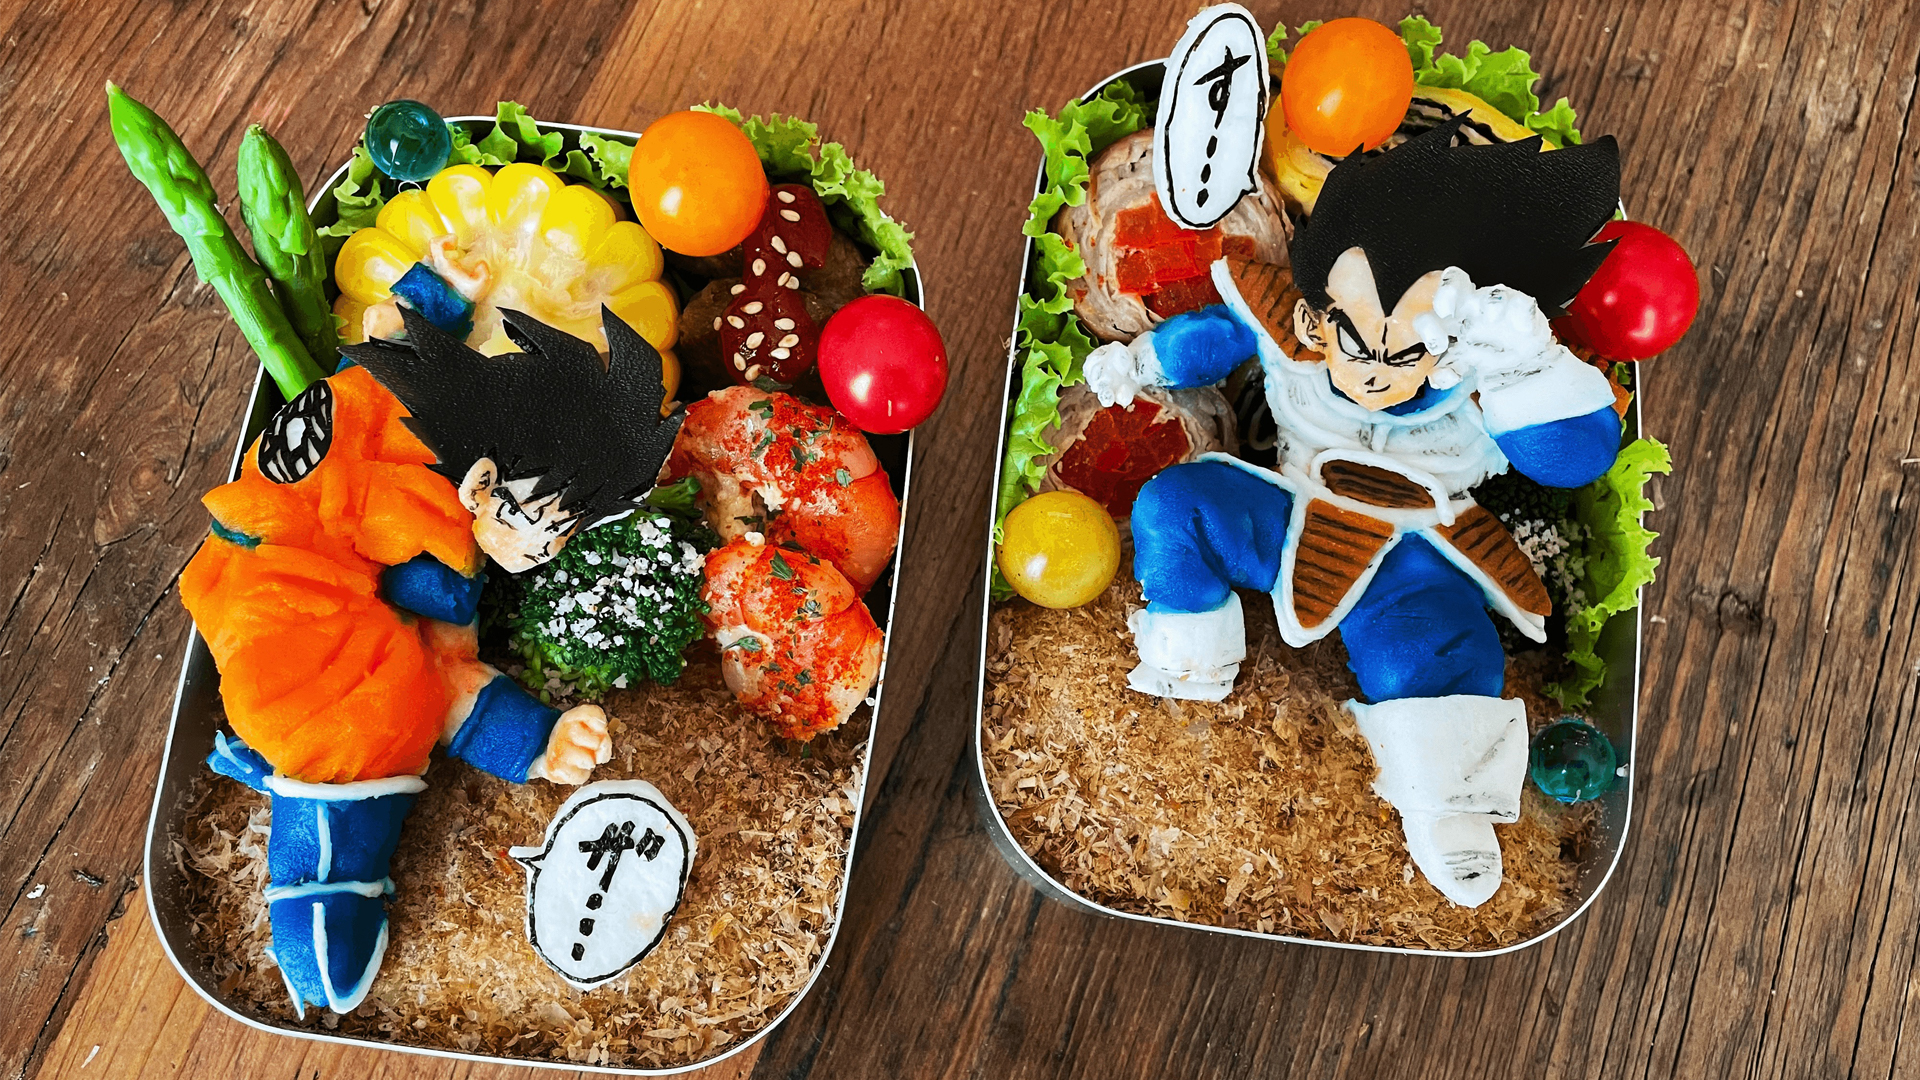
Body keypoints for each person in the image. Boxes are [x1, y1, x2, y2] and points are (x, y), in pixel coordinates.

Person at [1084, 117, 1625, 906]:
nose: (1372, 370)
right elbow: (1218, 337)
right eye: (1353, 337)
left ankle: (1448, 807)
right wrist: (1140, 363)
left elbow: (1576, 455)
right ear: (1316, 315)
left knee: (1433, 654)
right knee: (1179, 504)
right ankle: (1189, 662)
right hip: (1293, 509)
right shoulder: (1292, 329)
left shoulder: (1489, 381)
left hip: (1417, 547)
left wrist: (1530, 368)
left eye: (1403, 353)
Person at [182, 297, 682, 1012]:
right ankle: (322, 911)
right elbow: (443, 678)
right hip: (300, 666)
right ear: (481, 485)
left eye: (561, 535)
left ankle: (289, 802)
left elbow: (376, 357)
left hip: (239, 579)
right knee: (373, 727)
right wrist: (537, 743)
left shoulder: (389, 408)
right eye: (539, 526)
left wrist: (430, 301)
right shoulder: (438, 552)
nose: (541, 554)